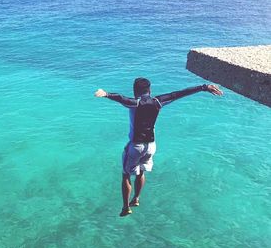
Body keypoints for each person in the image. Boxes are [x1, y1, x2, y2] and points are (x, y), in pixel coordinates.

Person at [94, 78, 223, 217]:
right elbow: (178, 94)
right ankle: (136, 198)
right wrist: (204, 87)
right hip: (151, 146)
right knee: (141, 171)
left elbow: (121, 98)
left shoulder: (135, 103)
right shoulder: (158, 102)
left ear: (135, 91)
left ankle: (126, 207)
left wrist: (106, 94)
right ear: (150, 90)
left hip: (136, 145)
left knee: (126, 175)